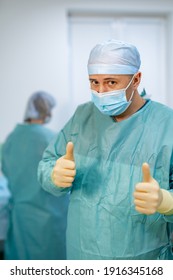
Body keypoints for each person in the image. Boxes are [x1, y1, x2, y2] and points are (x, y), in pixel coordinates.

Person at [38, 40, 173, 260]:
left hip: (141, 258)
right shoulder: (83, 116)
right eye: (94, 82)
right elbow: (47, 163)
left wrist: (166, 202)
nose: (101, 91)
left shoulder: (167, 123)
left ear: (136, 79)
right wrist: (54, 174)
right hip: (83, 254)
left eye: (111, 82)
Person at [1, 91, 69, 260]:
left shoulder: (10, 140)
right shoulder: (51, 139)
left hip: (20, 218)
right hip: (50, 218)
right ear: (47, 112)